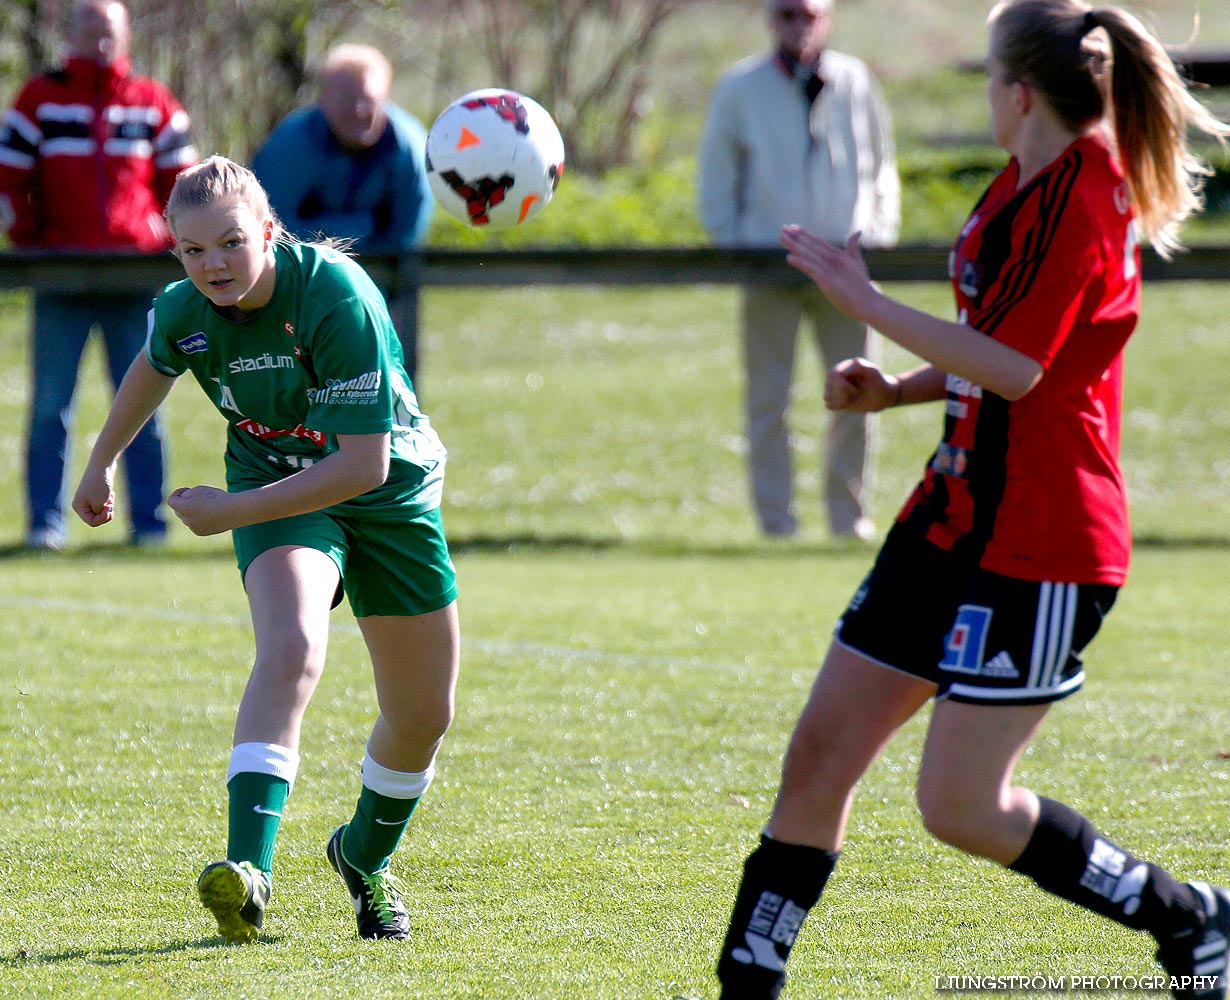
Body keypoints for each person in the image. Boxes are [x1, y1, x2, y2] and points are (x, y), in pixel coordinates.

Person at [714, 1, 1230, 997]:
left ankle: (1188, 915)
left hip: (1040, 542)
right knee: (816, 762)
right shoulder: (1019, 185)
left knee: (958, 804)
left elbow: (1022, 370)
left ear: (1019, 91)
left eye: (989, 77)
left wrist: (868, 305)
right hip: (949, 518)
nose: (986, 94)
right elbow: (995, 352)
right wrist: (896, 386)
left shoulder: (1085, 195)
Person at [71, 155, 459, 944]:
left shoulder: (335, 296)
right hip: (281, 493)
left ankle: (363, 858)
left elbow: (364, 463)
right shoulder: (185, 308)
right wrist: (100, 459)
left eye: (230, 243)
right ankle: (249, 875)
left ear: (270, 233)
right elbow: (154, 366)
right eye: (192, 250)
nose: (212, 264)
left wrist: (230, 512)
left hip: (385, 491)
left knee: (421, 715)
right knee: (291, 646)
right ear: (175, 252)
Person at [697, 0, 899, 542]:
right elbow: (717, 176)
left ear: (826, 18)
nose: (799, 25)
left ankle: (848, 517)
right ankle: (777, 524)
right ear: (771, 19)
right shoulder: (740, 87)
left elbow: (881, 164)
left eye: (809, 15)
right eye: (788, 14)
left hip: (847, 269)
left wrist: (876, 236)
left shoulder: (854, 80)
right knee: (769, 399)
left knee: (859, 392)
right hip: (770, 267)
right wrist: (740, 245)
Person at [0, 0, 198, 551]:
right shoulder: (38, 100)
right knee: (49, 405)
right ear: (70, 34)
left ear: (127, 34)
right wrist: (32, 239)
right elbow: (8, 181)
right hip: (60, 275)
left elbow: (185, 189)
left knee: (143, 404)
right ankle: (45, 524)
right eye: (90, 29)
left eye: (110, 30)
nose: (101, 40)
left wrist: (167, 244)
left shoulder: (152, 101)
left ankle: (151, 525)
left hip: (134, 277)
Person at [251, 44, 433, 381]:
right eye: (350, 101)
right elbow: (270, 229)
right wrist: (358, 229)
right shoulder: (289, 146)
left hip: (385, 286)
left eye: (372, 101)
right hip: (301, 290)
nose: (362, 111)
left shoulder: (408, 144)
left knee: (391, 378)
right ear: (324, 99)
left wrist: (363, 273)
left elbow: (408, 230)